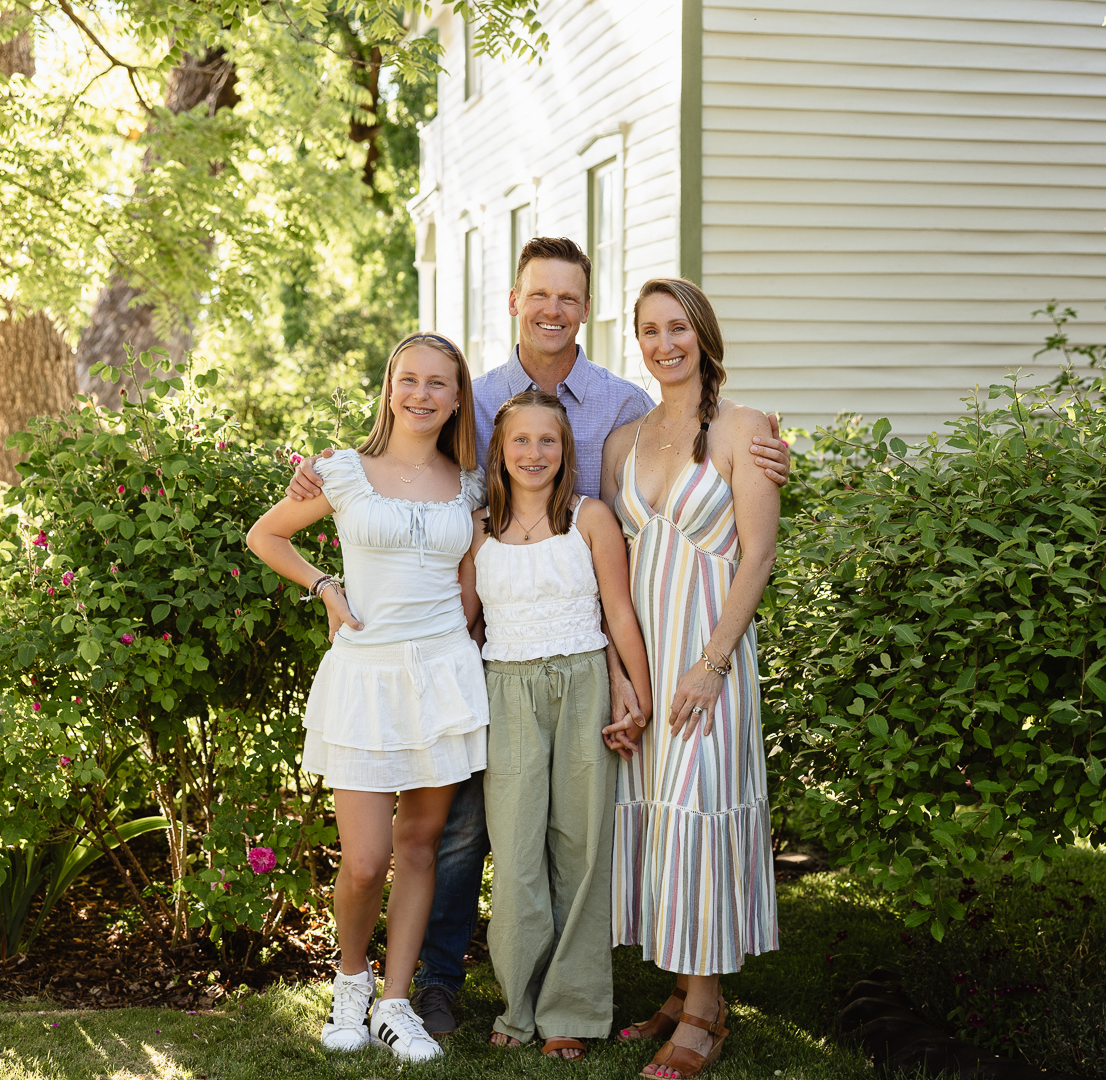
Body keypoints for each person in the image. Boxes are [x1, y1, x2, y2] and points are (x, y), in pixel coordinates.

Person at [286, 236, 793, 1037]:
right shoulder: (477, 395)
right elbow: (404, 464)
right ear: (514, 302)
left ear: (584, 310)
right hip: (494, 647)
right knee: (462, 834)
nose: (552, 309)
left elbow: (704, 517)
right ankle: (437, 984)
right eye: (538, 295)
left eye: (568, 297)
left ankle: (647, 1000)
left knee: (610, 826)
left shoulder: (624, 407)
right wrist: (326, 526)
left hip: (619, 641)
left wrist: (769, 448)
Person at [246, 331, 487, 1063]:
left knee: (420, 848)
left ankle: (394, 1002)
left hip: (443, 674)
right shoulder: (340, 472)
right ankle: (349, 981)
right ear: (389, 388)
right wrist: (325, 586)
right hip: (363, 678)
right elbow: (266, 536)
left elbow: (471, 580)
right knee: (363, 859)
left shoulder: (471, 484)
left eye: (437, 384)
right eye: (408, 380)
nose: (421, 394)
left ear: (455, 399)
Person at [601, 278, 780, 1080]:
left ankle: (706, 1011)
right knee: (660, 816)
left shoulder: (748, 430)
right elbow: (612, 571)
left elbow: (757, 556)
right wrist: (621, 677)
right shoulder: (622, 443)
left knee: (699, 809)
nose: (662, 343)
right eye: (648, 330)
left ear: (703, 336)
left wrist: (709, 665)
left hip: (709, 658)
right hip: (645, 658)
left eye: (676, 327)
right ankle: (679, 987)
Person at [470, 390, 653, 1061]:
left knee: (580, 850)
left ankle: (571, 1010)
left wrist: (635, 689)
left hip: (584, 685)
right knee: (516, 856)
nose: (534, 454)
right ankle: (518, 1007)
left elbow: (619, 614)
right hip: (507, 692)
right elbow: (464, 622)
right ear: (500, 448)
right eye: (520, 441)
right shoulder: (478, 528)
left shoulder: (589, 518)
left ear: (564, 449)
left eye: (547, 442)